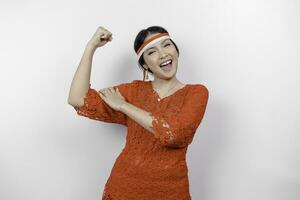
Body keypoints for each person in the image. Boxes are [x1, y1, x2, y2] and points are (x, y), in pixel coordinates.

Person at [68, 25, 209, 200]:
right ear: (144, 64)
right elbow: (77, 99)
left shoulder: (196, 93)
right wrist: (91, 47)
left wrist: (124, 106)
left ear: (176, 50)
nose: (163, 54)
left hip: (171, 193)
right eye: (152, 52)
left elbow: (174, 135)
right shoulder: (133, 91)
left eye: (166, 45)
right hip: (123, 189)